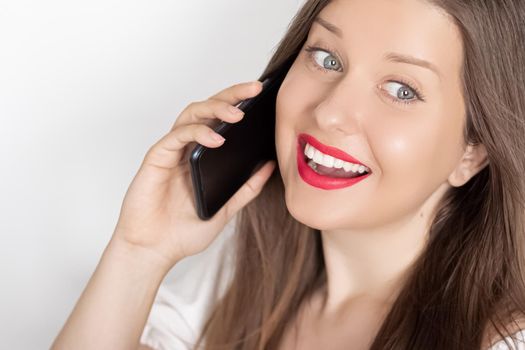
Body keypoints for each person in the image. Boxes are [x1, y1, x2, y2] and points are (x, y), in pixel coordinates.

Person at [51, 0, 525, 349]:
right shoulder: (230, 285)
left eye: (401, 89)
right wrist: (140, 252)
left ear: (473, 152)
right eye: (326, 58)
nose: (330, 111)